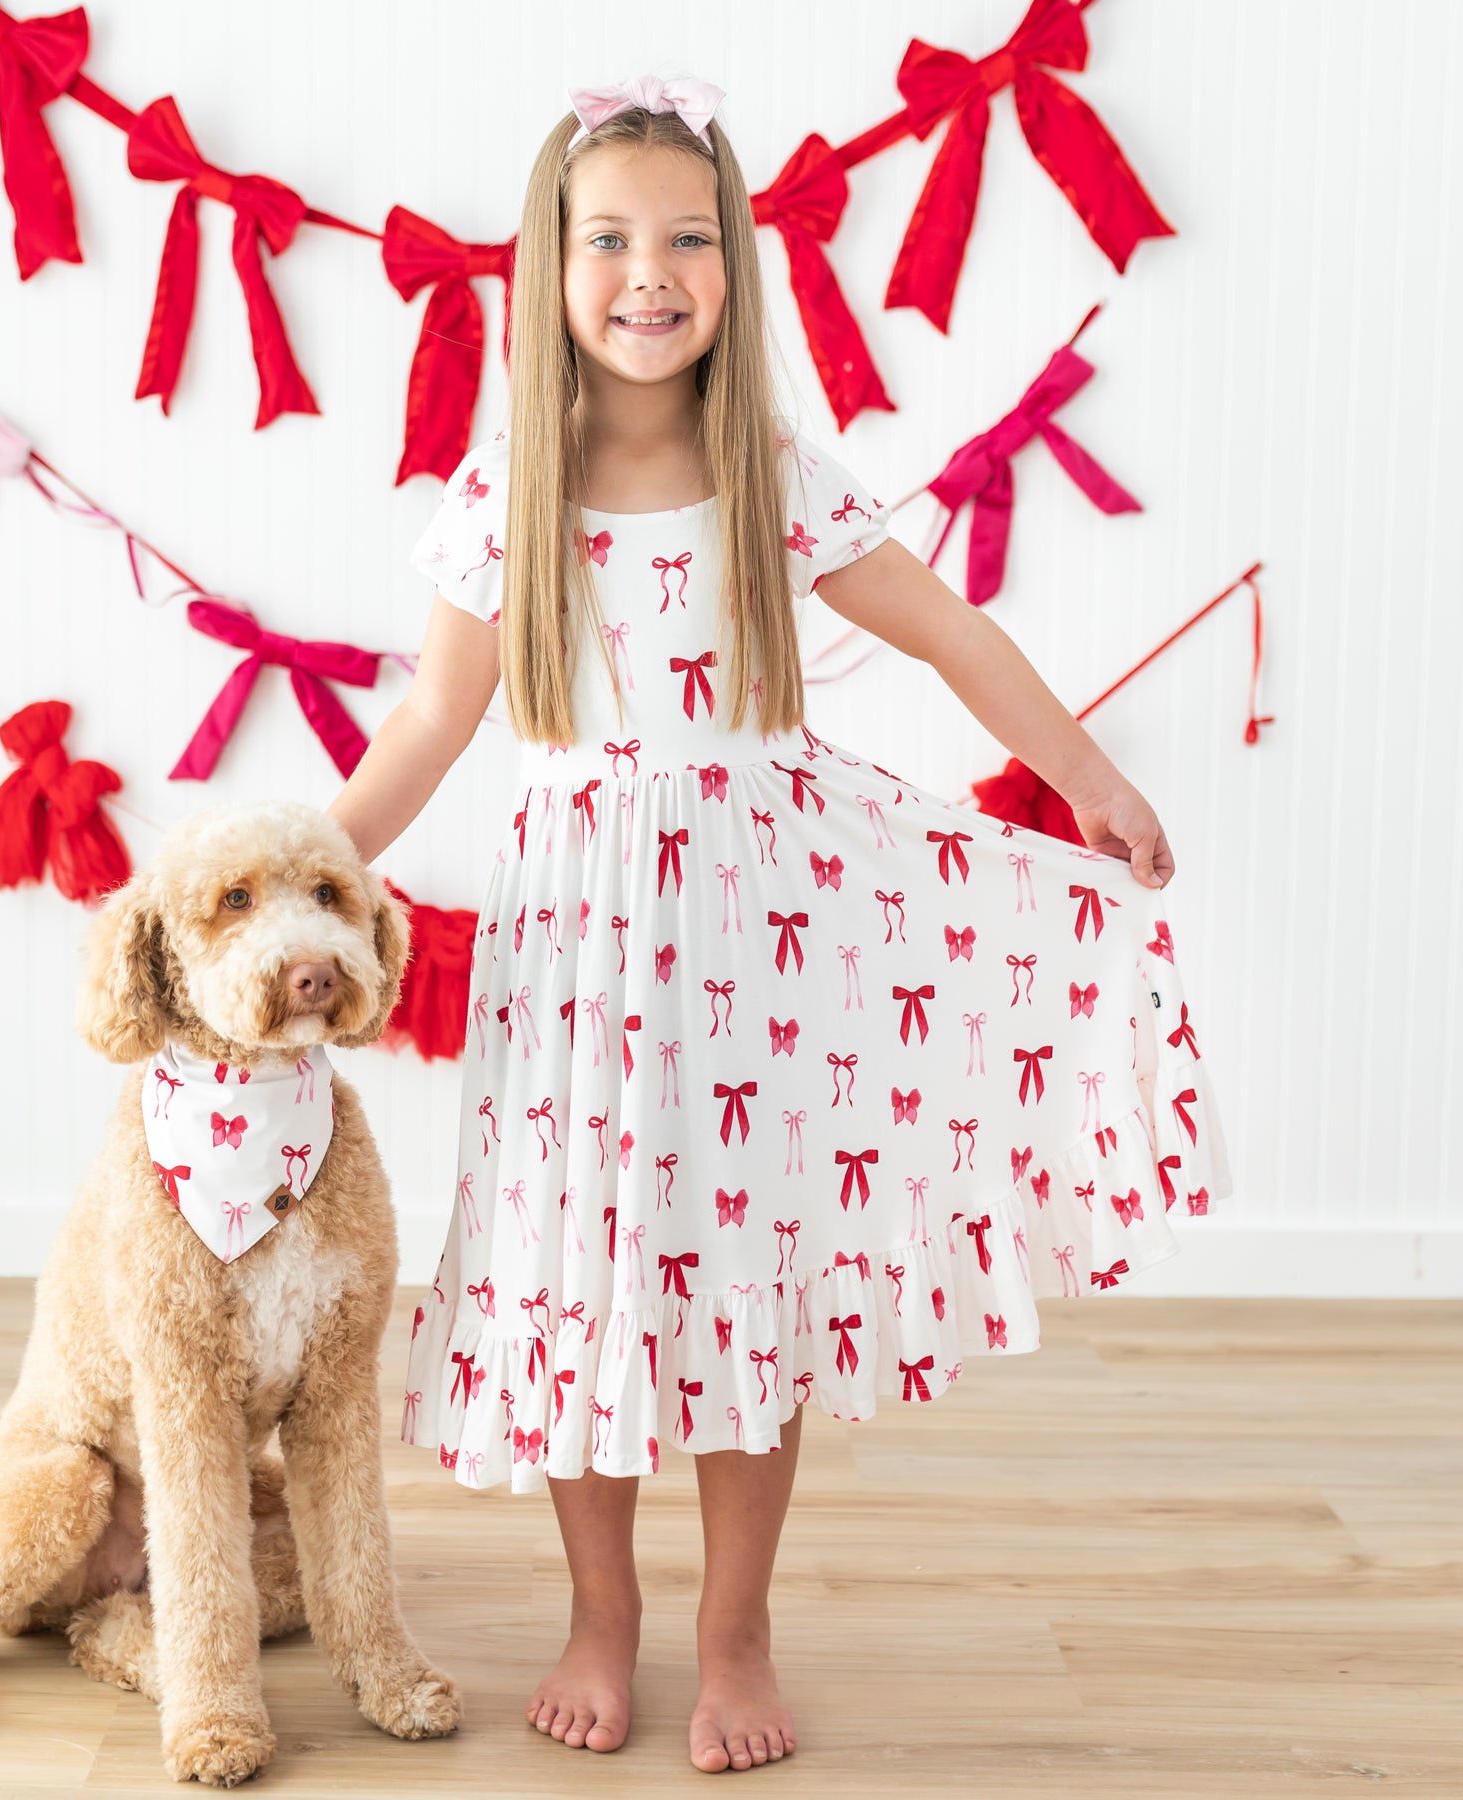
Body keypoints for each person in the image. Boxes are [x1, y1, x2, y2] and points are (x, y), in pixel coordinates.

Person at [327, 74, 1232, 1776]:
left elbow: (956, 636)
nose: (646, 273)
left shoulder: (773, 473)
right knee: (581, 1264)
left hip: (755, 932)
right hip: (573, 951)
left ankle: (735, 1626)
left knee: (740, 1264)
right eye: (607, 240)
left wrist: (1090, 776)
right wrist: (283, 866)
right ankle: (605, 1615)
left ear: (736, 269)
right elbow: (431, 727)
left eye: (685, 239)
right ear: (549, 265)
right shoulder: (507, 485)